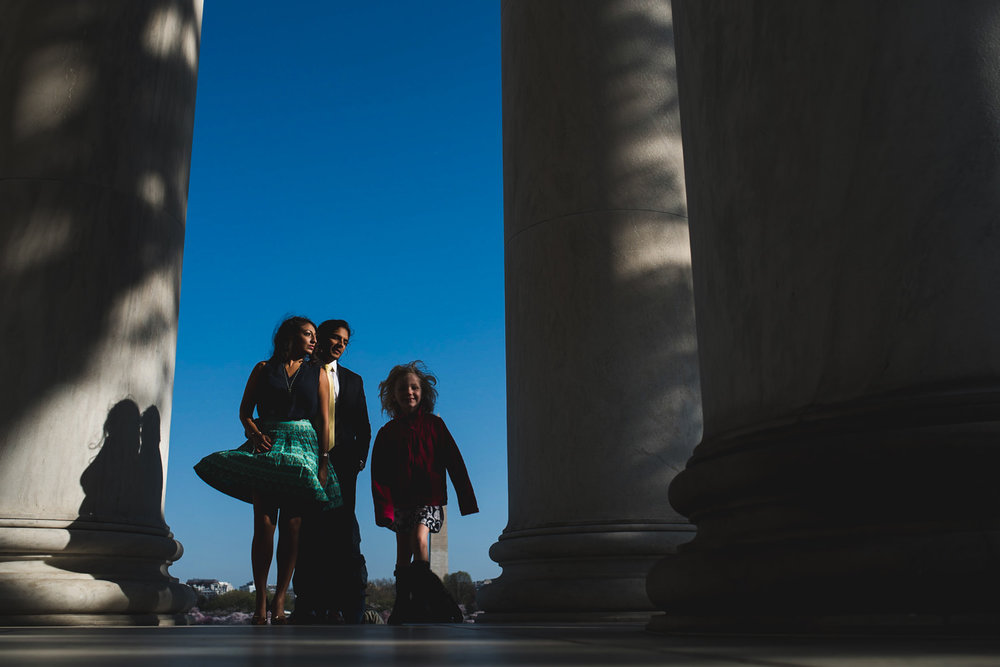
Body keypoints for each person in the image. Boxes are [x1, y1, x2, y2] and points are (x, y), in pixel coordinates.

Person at [194, 316, 342, 625]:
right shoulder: (263, 369)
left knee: (293, 526)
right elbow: (245, 411)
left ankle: (279, 601)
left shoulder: (318, 374)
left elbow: (326, 423)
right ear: (291, 336)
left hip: (303, 447)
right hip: (267, 446)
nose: (314, 340)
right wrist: (252, 432)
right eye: (308, 334)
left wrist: (325, 462)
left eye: (315, 335)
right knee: (263, 524)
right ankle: (260, 600)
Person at [371, 361, 478, 624]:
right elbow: (380, 476)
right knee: (402, 555)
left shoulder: (435, 425)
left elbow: (455, 462)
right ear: (392, 395)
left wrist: (466, 500)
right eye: (402, 388)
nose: (409, 392)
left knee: (419, 541)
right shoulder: (386, 433)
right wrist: (384, 511)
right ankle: (403, 606)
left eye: (414, 387)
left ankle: (429, 602)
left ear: (423, 392)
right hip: (401, 502)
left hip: (429, 500)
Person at [292, 319, 371, 624]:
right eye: (335, 338)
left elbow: (363, 425)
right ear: (321, 339)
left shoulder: (354, 380)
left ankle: (343, 604)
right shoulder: (303, 371)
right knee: (309, 533)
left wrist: (359, 460)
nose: (340, 344)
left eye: (346, 341)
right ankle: (309, 603)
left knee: (343, 535)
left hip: (345, 466)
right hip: (308, 461)